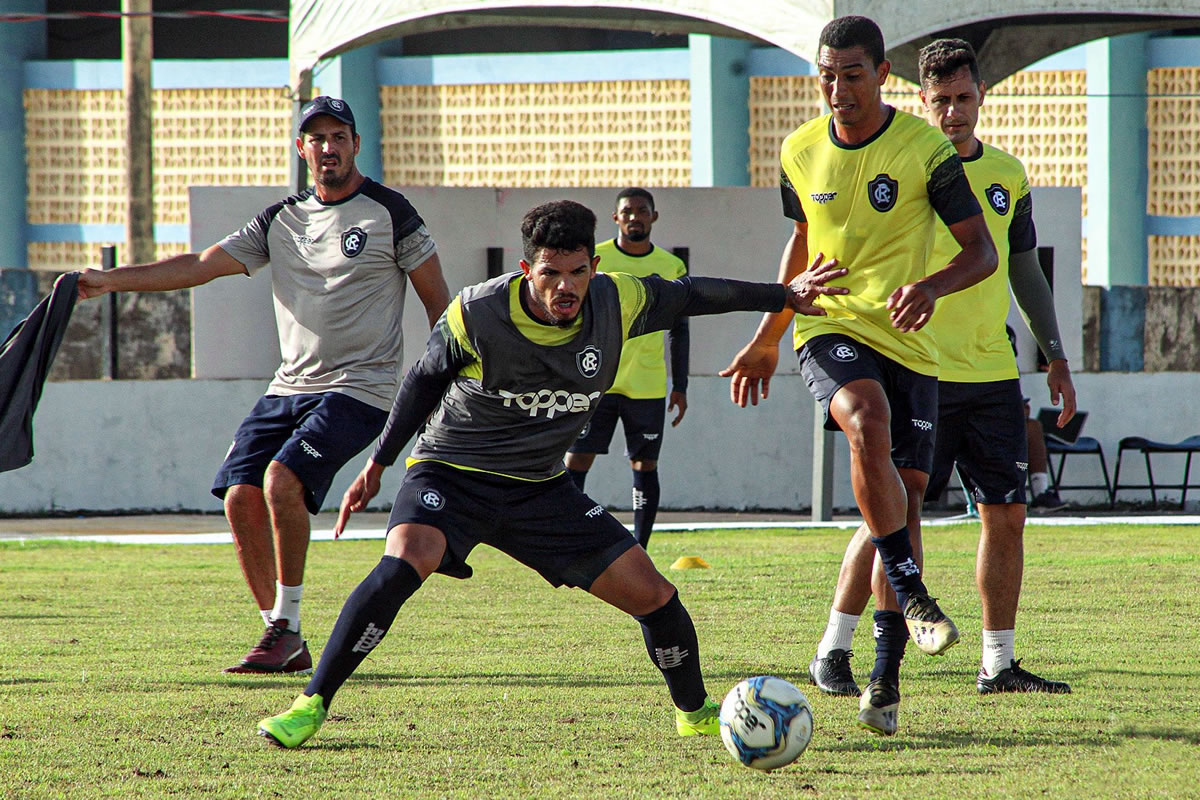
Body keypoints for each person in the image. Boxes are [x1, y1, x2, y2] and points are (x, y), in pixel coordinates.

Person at [255, 199, 849, 748]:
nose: (565, 287)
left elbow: (693, 293)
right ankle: (310, 705)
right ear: (526, 269)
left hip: (541, 486)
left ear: (593, 265)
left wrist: (783, 294)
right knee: (406, 560)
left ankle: (695, 714)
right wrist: (379, 463)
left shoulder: (619, 300)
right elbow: (423, 381)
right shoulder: (477, 312)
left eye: (576, 273)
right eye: (549, 274)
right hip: (451, 473)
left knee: (658, 597)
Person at [75, 96, 452, 675]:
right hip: (288, 388)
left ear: (356, 145)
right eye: (316, 138)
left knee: (282, 480)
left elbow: (439, 308)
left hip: (362, 388)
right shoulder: (281, 219)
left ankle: (287, 626)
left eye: (338, 136)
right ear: (301, 150)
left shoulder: (390, 213)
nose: (328, 148)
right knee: (239, 497)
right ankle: (282, 631)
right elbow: (200, 265)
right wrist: (108, 281)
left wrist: (441, 392)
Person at [720, 16, 998, 737]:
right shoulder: (799, 148)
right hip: (830, 328)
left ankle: (883, 681)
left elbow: (981, 252)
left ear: (880, 75)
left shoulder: (923, 149)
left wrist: (932, 287)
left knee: (903, 502)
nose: (836, 89)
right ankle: (911, 589)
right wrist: (768, 336)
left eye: (850, 74)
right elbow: (803, 242)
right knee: (865, 419)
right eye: (826, 74)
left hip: (910, 342)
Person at [804, 38, 1075, 712]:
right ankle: (837, 644)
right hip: (913, 363)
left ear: (981, 97)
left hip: (989, 374)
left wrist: (1055, 354)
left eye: (963, 98)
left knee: (1007, 514)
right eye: (940, 102)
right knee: (893, 511)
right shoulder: (903, 162)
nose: (953, 113)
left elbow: (1021, 268)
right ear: (919, 102)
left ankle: (999, 663)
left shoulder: (1008, 174)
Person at [564, 188, 689, 549]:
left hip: (646, 385)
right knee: (577, 459)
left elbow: (679, 328)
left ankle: (640, 548)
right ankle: (568, 539)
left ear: (654, 217)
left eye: (642, 210)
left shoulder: (671, 267)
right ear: (616, 218)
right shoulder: (596, 259)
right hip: (595, 380)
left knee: (644, 465)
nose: (635, 216)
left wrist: (679, 385)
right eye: (627, 211)